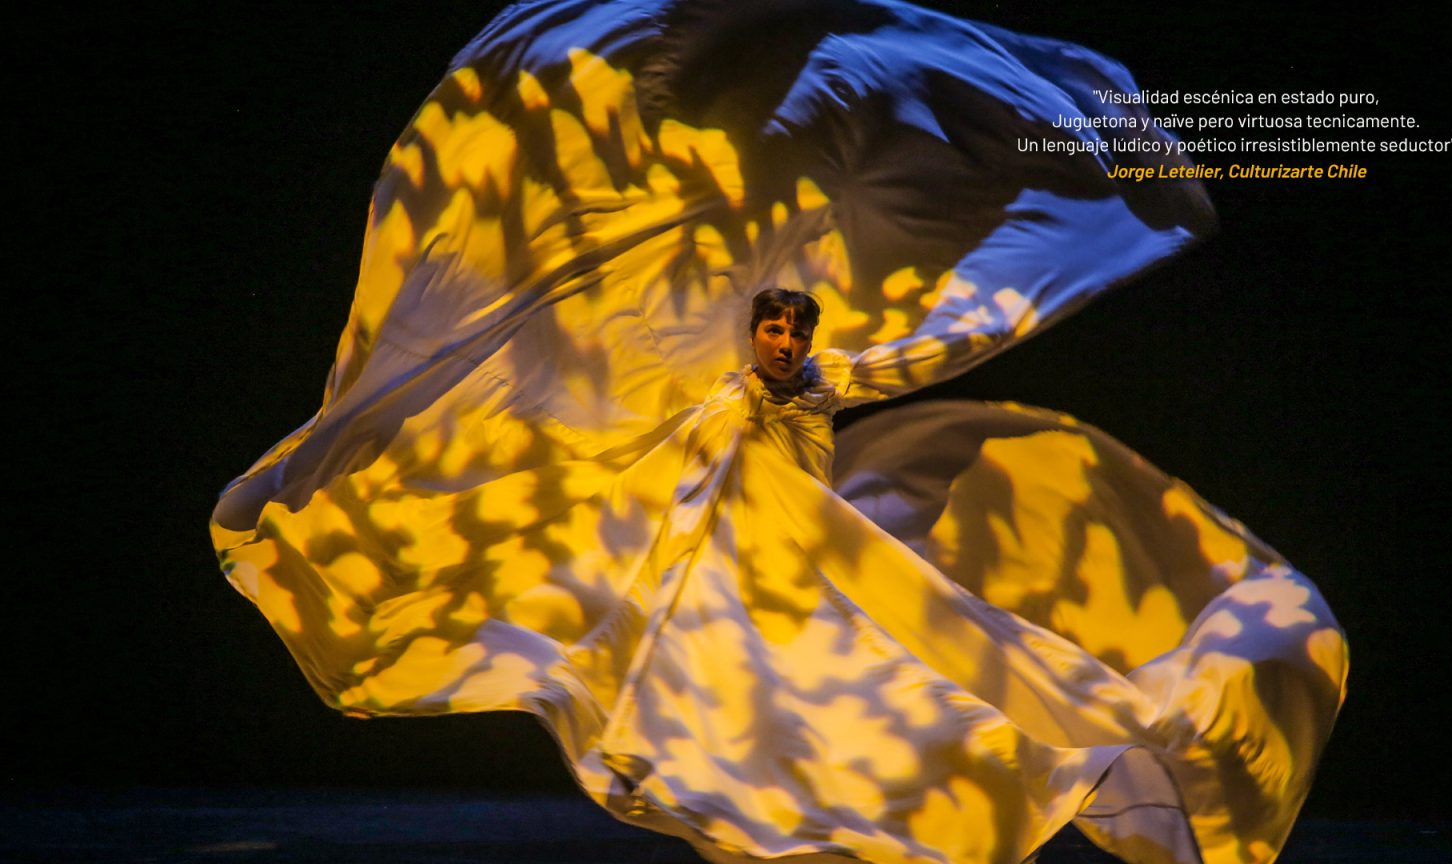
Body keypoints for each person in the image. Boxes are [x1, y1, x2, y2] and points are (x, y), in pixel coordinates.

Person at [212, 2, 1346, 862]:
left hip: (726, 299)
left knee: (793, 563)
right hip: (679, 257)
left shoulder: (769, 142)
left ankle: (932, 759)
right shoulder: (652, 139)